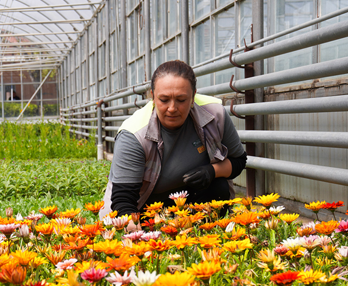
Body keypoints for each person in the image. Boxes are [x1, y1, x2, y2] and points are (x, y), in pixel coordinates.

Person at [101, 60, 247, 218]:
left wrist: (211, 171)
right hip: (143, 208)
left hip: (186, 203)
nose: (172, 108)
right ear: (152, 96)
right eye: (164, 100)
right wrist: (136, 237)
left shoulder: (214, 115)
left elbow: (239, 160)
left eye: (181, 100)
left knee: (218, 187)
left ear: (193, 97)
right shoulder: (134, 134)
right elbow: (124, 201)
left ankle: (203, 236)